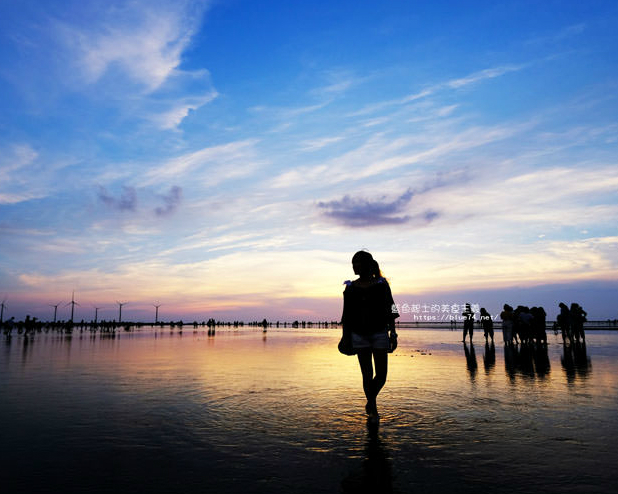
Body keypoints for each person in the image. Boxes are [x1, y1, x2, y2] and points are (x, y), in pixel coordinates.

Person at [341, 251, 399, 423]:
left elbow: (391, 309)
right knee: (367, 375)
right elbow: (347, 315)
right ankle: (373, 408)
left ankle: (370, 401)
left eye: (358, 262)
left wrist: (393, 333)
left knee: (381, 375)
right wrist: (346, 337)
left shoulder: (382, 285)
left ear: (367, 264)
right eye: (353, 263)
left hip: (380, 333)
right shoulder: (350, 288)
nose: (354, 266)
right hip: (358, 335)